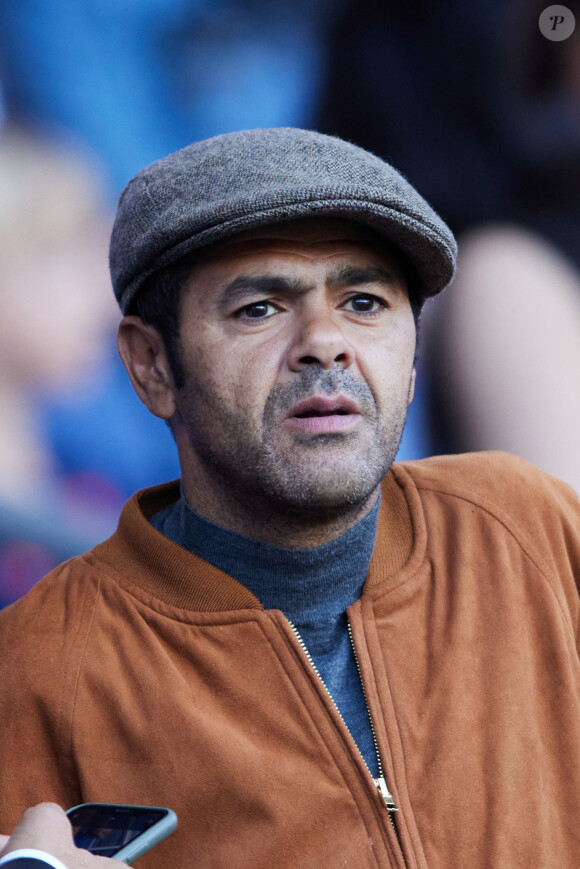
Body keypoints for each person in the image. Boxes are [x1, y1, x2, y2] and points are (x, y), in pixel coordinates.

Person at [0, 127, 579, 869]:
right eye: (260, 309)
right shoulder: (36, 669)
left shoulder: (529, 528)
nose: (326, 342)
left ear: (413, 353)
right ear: (151, 365)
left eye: (364, 301)